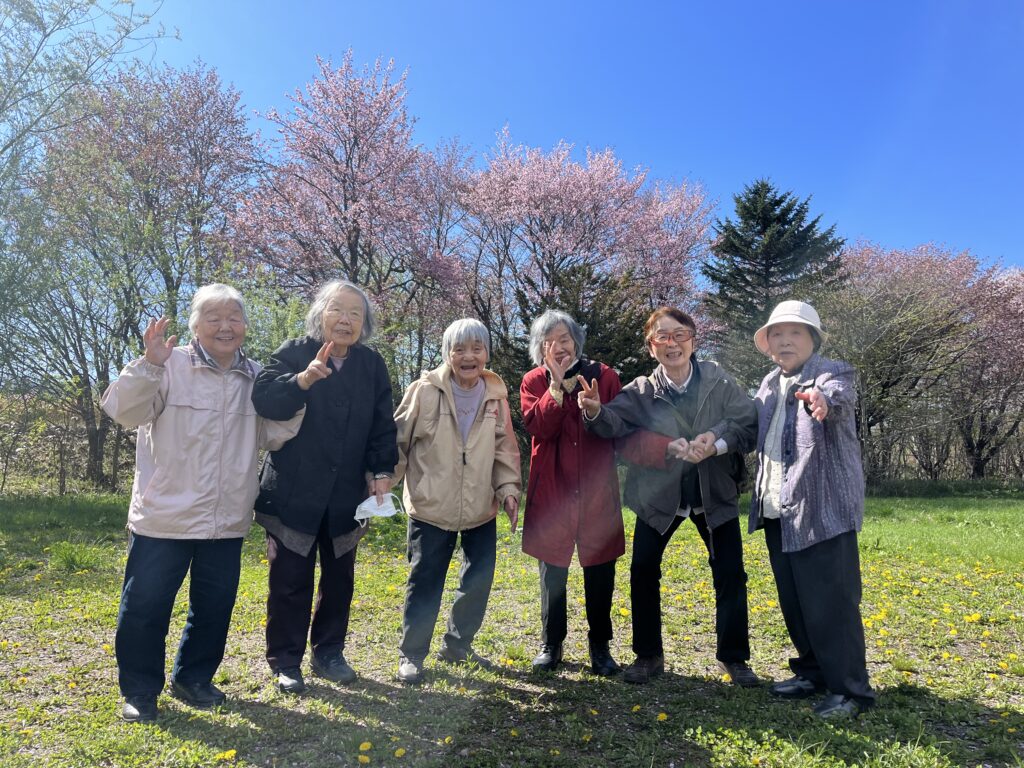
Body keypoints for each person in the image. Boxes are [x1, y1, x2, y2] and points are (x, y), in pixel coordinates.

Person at [102, 284, 303, 723]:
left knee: (213, 608)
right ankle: (139, 691)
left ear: (246, 327)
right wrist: (148, 365)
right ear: (195, 325)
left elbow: (274, 434)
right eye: (213, 318)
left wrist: (300, 391)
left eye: (234, 318)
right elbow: (122, 411)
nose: (225, 326)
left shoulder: (256, 378)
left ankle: (194, 678)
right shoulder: (167, 364)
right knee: (144, 607)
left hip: (226, 518)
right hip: (164, 517)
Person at [580, 307, 759, 686]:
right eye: (662, 337)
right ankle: (648, 656)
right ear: (651, 348)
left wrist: (717, 441)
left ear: (694, 340)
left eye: (679, 334)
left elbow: (747, 422)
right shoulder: (642, 389)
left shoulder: (717, 379)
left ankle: (734, 657)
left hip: (714, 493)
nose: (672, 343)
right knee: (643, 570)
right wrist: (595, 412)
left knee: (730, 574)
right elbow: (614, 424)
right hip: (659, 497)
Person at [251, 279, 398, 694]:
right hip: (293, 491)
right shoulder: (293, 351)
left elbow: (382, 427)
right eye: (337, 310)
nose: (346, 320)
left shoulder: (371, 365)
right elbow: (263, 400)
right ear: (320, 314)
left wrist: (380, 470)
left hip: (346, 495)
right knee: (289, 580)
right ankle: (286, 660)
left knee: (339, 579)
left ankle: (329, 651)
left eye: (355, 313)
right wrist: (302, 381)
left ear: (365, 322)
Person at [749, 300, 875, 718]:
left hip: (822, 510)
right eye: (777, 335)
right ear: (768, 345)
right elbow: (751, 430)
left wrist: (820, 399)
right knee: (796, 598)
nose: (785, 341)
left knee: (833, 602)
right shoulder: (767, 383)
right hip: (776, 509)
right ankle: (812, 672)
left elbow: (834, 397)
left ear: (813, 340)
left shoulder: (832, 372)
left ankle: (850, 691)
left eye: (795, 333)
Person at [392, 318, 521, 685]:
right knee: (425, 581)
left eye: (477, 349)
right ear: (447, 354)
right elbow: (398, 441)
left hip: (481, 505)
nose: (469, 357)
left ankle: (458, 644)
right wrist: (383, 482)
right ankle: (412, 654)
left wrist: (508, 489)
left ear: (486, 353)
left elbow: (505, 449)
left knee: (477, 581)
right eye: (460, 349)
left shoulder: (495, 395)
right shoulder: (424, 391)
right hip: (431, 504)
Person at [519, 310, 625, 675]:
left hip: (596, 491)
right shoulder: (533, 381)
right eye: (549, 341)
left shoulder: (604, 376)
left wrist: (596, 412)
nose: (558, 347)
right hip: (553, 490)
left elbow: (617, 428)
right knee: (553, 571)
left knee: (600, 570)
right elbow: (538, 428)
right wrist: (555, 387)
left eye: (564, 339)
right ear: (539, 347)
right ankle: (552, 644)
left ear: (576, 341)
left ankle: (601, 647)